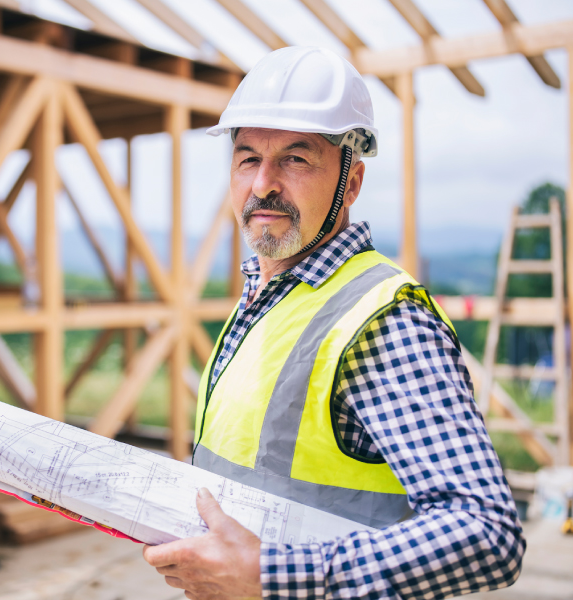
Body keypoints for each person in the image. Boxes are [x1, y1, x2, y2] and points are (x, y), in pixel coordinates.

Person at [143, 46, 524, 600]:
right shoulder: (267, 298)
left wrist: (270, 576)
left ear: (351, 181)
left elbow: (488, 533)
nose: (263, 184)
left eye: (296, 159)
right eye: (248, 158)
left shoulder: (384, 320)